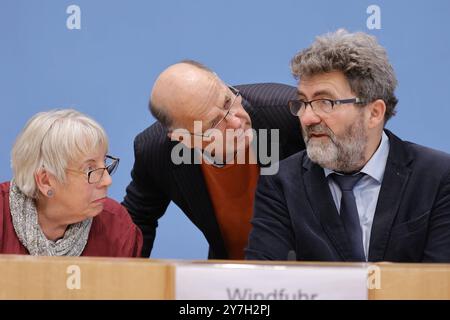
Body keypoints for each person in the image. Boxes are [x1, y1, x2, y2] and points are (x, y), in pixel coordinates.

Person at [246, 29, 450, 262]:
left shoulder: (438, 177)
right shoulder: (280, 182)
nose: (307, 118)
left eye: (325, 102)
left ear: (374, 113)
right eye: (303, 102)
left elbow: (441, 284)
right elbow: (265, 282)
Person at [123, 60, 305, 259]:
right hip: (232, 277)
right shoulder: (155, 152)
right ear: (184, 139)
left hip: (317, 271)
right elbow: (136, 221)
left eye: (228, 101)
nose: (236, 122)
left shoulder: (291, 112)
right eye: (214, 123)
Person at [0, 109, 142, 257]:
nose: (107, 180)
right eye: (89, 169)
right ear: (45, 181)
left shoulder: (116, 226)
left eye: (104, 162)